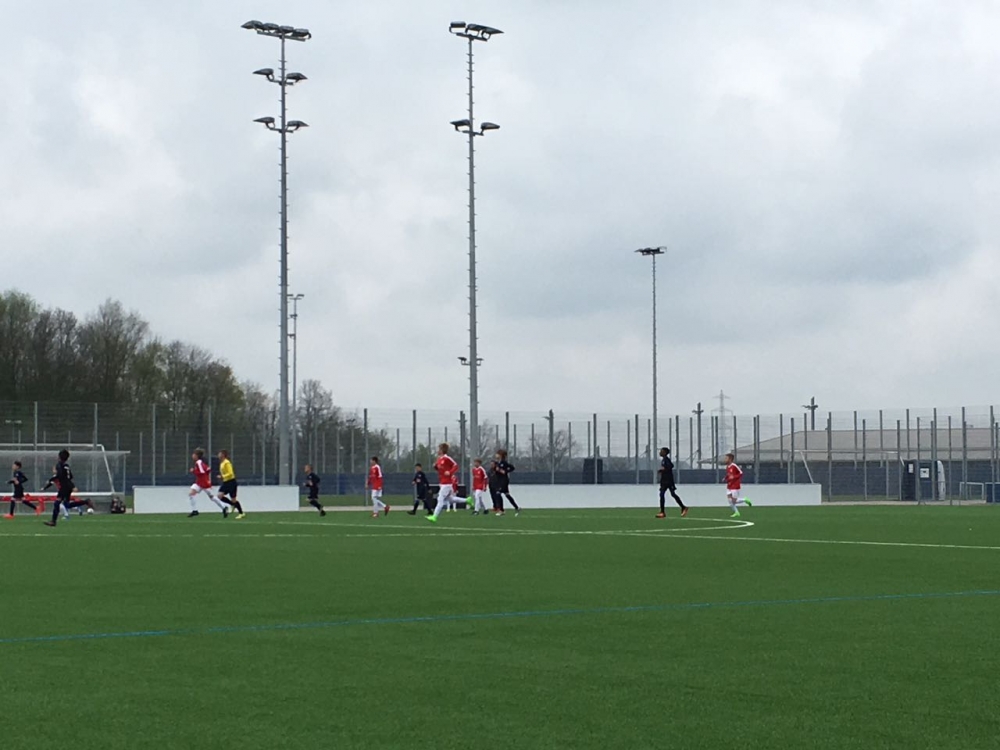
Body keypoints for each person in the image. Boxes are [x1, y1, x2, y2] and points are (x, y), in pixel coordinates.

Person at [42, 450, 94, 527]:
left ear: (59, 457)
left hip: (64, 487)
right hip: (68, 487)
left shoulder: (59, 465)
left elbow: (59, 475)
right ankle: (85, 502)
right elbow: (70, 476)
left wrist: (51, 479)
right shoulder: (67, 466)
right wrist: (72, 486)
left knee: (57, 503)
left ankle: (53, 521)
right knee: (67, 505)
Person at [187, 448, 228, 518]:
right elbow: (208, 469)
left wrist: (193, 471)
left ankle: (224, 507)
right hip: (199, 482)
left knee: (212, 497)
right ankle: (194, 511)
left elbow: (202, 472)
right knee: (191, 494)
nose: (192, 455)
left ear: (197, 456)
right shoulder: (200, 462)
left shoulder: (198, 462)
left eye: (194, 454)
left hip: (203, 483)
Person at [427, 443, 458, 524]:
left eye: (439, 449)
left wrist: (450, 472)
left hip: (447, 483)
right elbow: (440, 469)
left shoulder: (447, 458)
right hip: (442, 482)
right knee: (451, 499)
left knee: (440, 499)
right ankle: (467, 500)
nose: (438, 450)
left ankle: (434, 516)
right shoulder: (439, 459)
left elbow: (455, 465)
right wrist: (435, 467)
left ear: (442, 450)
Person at [657, 447, 688, 519]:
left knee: (672, 494)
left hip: (668, 481)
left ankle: (683, 507)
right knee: (662, 494)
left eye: (661, 451)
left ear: (665, 452)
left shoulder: (666, 460)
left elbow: (670, 466)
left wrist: (663, 470)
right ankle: (662, 512)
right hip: (664, 481)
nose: (660, 452)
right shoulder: (663, 460)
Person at [216, 450, 245, 519]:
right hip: (226, 482)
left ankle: (241, 513)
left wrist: (222, 476)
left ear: (223, 455)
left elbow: (230, 473)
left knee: (233, 499)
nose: (218, 455)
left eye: (220, 454)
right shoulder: (222, 463)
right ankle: (233, 505)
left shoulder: (227, 462)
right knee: (219, 496)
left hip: (231, 482)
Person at [723, 452, 752, 518]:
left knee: (734, 501)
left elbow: (741, 473)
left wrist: (734, 477)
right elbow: (729, 474)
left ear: (730, 459)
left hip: (735, 486)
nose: (725, 459)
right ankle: (736, 512)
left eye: (726, 458)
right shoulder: (727, 467)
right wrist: (725, 478)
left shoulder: (734, 466)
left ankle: (745, 499)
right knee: (730, 501)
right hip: (729, 485)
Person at [494, 449, 520, 516]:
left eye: (497, 454)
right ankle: (517, 507)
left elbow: (512, 468)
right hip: (499, 480)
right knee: (507, 494)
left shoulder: (504, 462)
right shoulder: (498, 463)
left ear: (501, 455)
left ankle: (501, 510)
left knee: (498, 493)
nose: (496, 455)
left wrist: (505, 471)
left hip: (504, 480)